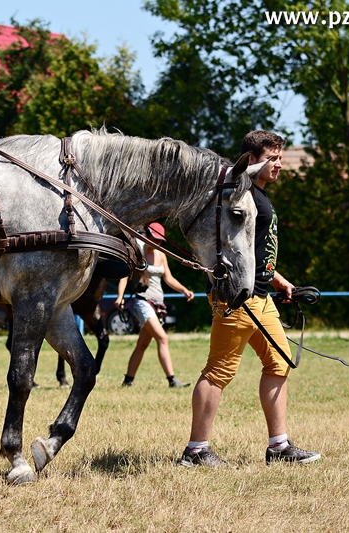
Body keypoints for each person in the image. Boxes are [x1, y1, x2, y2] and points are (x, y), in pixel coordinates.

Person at [180, 130, 321, 467]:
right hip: (238, 299)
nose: (279, 165)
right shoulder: (240, 196)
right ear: (253, 160)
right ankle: (196, 450)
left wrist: (280, 281)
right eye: (273, 158)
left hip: (262, 296)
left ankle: (279, 446)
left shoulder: (260, 196)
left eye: (280, 158)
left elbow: (254, 253)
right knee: (217, 372)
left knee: (279, 362)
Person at [115, 222, 195, 388]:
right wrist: (120, 296)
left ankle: (128, 381)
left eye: (159, 241)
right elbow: (125, 275)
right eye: (154, 239)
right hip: (142, 301)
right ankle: (172, 380)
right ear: (148, 236)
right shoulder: (139, 253)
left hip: (158, 304)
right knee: (162, 338)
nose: (156, 243)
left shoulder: (161, 255)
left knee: (142, 344)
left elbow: (168, 279)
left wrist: (185, 290)